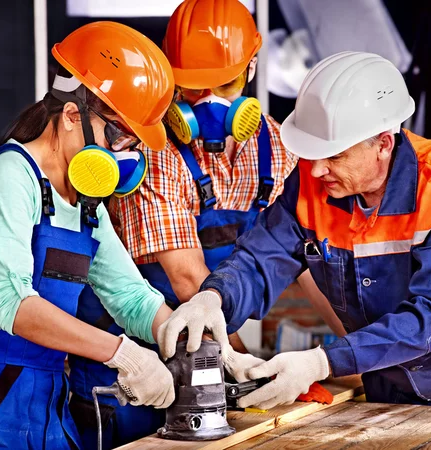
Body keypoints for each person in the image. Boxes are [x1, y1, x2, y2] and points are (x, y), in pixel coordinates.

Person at [157, 51, 431, 412]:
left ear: (383, 144)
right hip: (392, 388)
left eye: (334, 156)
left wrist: (322, 362)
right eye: (311, 154)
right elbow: (260, 258)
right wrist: (214, 299)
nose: (317, 170)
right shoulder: (312, 184)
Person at [69, 1, 344, 446]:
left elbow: (308, 260)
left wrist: (356, 352)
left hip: (210, 360)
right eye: (193, 89)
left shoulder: (275, 145)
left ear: (251, 68)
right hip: (131, 371)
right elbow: (189, 280)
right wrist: (247, 367)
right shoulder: (152, 151)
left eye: (223, 85)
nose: (209, 103)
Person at [0, 22, 178, 449]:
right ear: (70, 116)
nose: (124, 154)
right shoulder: (10, 175)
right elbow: (12, 304)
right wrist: (121, 353)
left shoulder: (85, 202)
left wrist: (194, 340)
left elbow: (131, 296)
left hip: (45, 407)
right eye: (118, 135)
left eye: (133, 142)